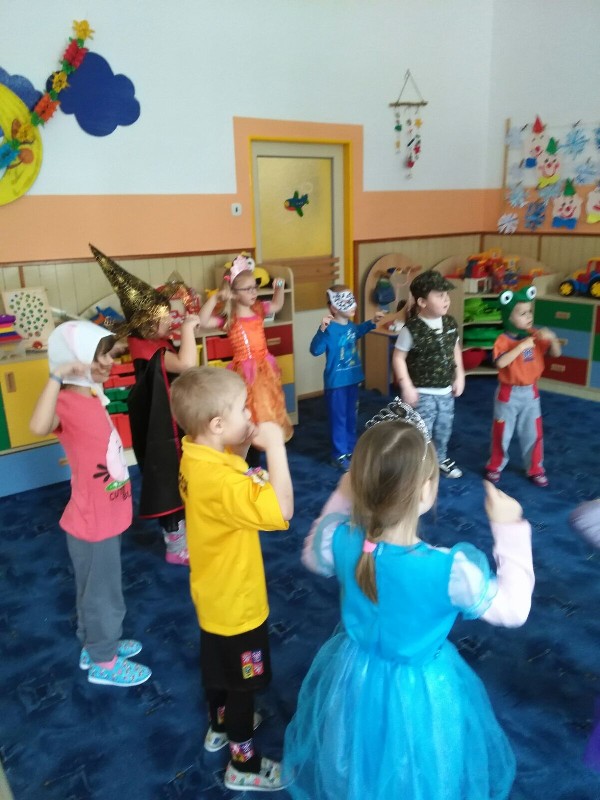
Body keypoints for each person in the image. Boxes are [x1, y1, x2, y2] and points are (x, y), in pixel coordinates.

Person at [284, 399, 534, 800]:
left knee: (356, 751)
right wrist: (511, 529)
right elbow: (514, 609)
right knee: (419, 767)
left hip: (354, 676)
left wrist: (341, 495)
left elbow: (312, 554)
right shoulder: (449, 571)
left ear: (359, 485)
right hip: (422, 690)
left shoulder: (339, 540)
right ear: (426, 491)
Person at [170, 366, 293, 792]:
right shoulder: (223, 483)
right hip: (240, 606)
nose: (250, 414)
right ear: (217, 424)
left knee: (217, 668)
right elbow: (282, 509)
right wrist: (275, 447)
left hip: (212, 597)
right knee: (244, 685)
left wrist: (239, 449)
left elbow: (225, 475)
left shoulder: (194, 453)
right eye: (243, 409)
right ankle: (243, 763)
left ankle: (219, 725)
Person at [29, 320, 151, 687]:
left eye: (109, 356)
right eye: (100, 357)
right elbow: (38, 426)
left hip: (103, 513)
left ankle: (94, 644)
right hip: (93, 521)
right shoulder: (65, 401)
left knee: (92, 589)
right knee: (104, 594)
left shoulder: (93, 395)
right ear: (76, 359)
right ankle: (103, 661)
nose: (109, 363)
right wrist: (56, 375)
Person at [91, 244, 200, 565]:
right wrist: (189, 330)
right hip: (160, 429)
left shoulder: (147, 340)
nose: (171, 321)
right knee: (167, 481)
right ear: (149, 325)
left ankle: (184, 534)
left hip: (165, 421)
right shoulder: (152, 350)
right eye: (165, 319)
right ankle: (175, 546)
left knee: (179, 477)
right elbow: (187, 364)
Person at [196, 253, 293, 449]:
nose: (254, 292)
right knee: (248, 409)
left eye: (255, 287)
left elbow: (277, 304)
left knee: (267, 404)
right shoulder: (229, 318)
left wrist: (279, 288)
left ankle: (267, 441)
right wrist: (215, 298)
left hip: (265, 366)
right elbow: (202, 321)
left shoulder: (258, 308)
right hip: (245, 371)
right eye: (248, 289)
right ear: (233, 292)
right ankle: (251, 445)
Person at [484, 285, 561, 488]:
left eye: (530, 312)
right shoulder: (502, 340)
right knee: (502, 431)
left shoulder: (535, 334)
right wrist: (520, 347)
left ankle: (535, 468)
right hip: (508, 393)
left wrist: (553, 338)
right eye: (522, 313)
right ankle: (495, 465)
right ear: (509, 317)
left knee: (533, 433)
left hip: (531, 393)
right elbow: (500, 362)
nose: (529, 316)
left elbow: (556, 354)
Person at [392, 269, 465, 479]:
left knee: (444, 429)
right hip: (421, 391)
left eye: (446, 294)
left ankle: (440, 458)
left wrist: (460, 375)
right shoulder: (412, 329)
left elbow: (455, 350)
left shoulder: (450, 323)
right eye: (440, 295)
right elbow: (398, 358)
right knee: (421, 430)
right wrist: (406, 386)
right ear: (422, 302)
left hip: (445, 391)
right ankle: (419, 465)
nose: (446, 299)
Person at [309, 284, 385, 471]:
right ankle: (339, 454)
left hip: (352, 379)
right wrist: (321, 330)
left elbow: (358, 331)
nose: (354, 305)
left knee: (351, 415)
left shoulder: (350, 326)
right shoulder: (329, 330)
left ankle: (351, 448)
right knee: (339, 418)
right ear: (334, 308)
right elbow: (315, 350)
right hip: (336, 384)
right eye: (346, 302)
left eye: (352, 300)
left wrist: (372, 322)